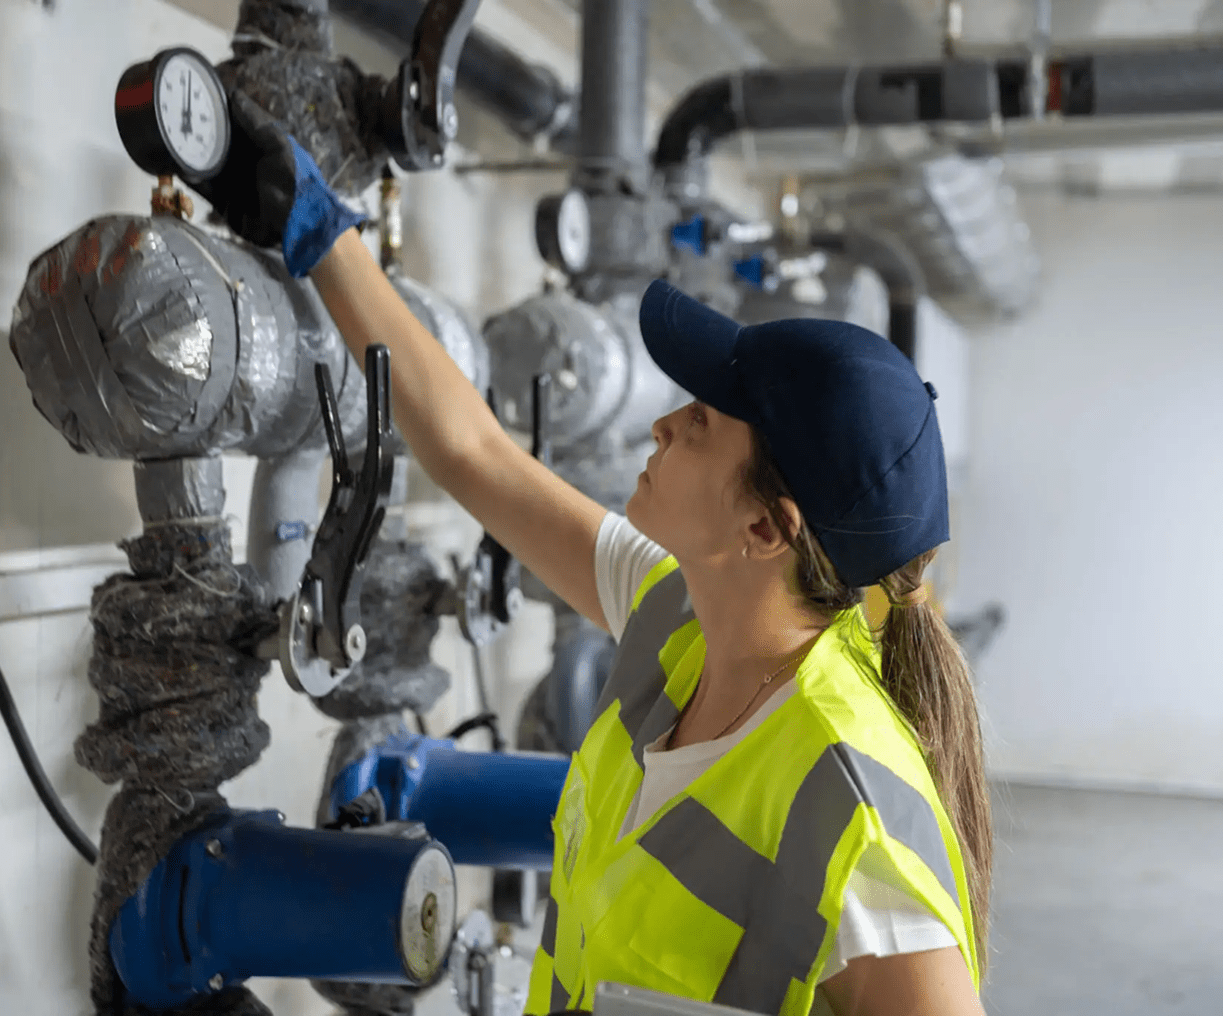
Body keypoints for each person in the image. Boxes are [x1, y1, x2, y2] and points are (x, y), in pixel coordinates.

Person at [203, 101, 993, 1016]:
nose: (660, 425)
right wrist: (321, 236)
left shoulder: (857, 822)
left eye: (698, 423)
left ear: (766, 531)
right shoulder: (680, 621)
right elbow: (476, 454)